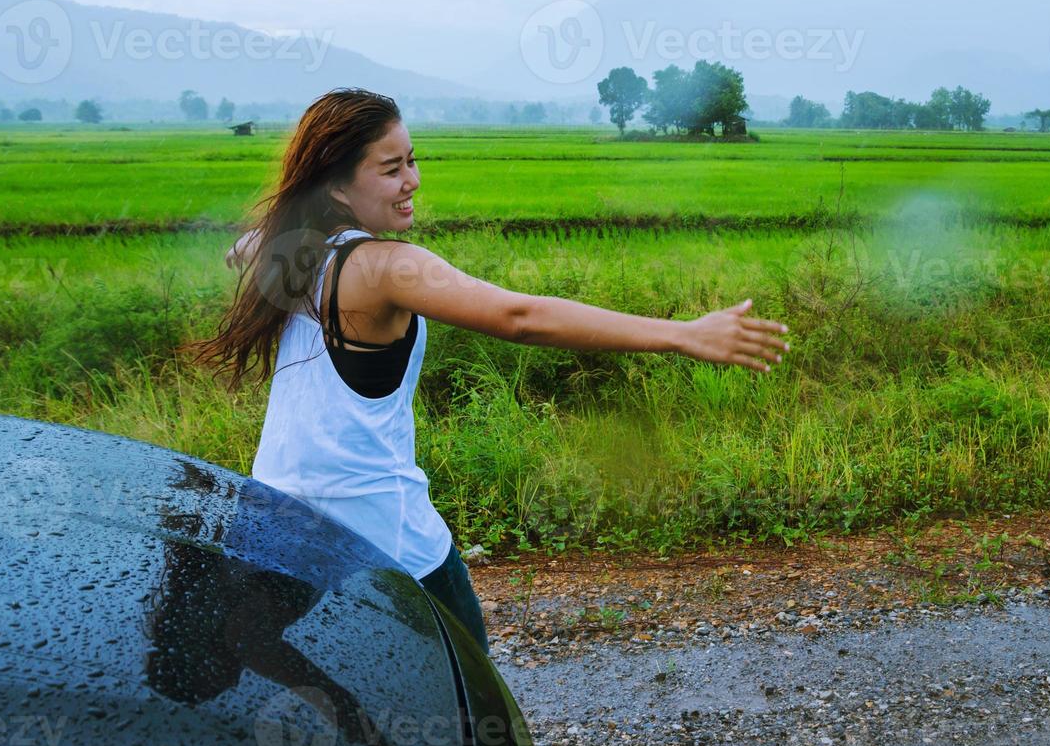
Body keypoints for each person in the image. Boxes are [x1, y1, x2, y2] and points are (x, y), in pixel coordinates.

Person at [189, 87, 791, 653]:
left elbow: (241, 247)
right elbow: (520, 316)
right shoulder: (384, 268)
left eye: (413, 161)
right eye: (391, 167)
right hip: (380, 536)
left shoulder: (292, 251)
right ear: (339, 187)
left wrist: (256, 241)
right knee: (471, 716)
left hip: (276, 521)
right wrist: (682, 335)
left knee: (283, 687)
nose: (413, 181)